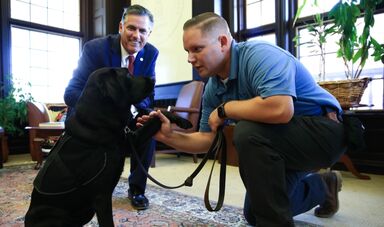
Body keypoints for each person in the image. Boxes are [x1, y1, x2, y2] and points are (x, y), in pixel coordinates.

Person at [138, 12, 347, 226]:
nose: (190, 59)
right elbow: (207, 139)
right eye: (187, 51)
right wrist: (168, 136)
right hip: (281, 143)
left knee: (247, 131)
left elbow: (281, 109)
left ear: (222, 42)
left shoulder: (260, 55)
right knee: (255, 212)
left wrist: (226, 109)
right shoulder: (214, 87)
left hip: (324, 132)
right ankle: (325, 186)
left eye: (197, 49)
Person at [64, 4, 158, 210]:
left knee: (149, 127)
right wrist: (104, 111)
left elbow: (147, 94)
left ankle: (137, 189)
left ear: (149, 33)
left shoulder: (151, 53)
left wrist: (141, 112)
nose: (136, 35)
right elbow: (71, 93)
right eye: (131, 28)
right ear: (120, 27)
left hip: (124, 114)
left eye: (143, 30)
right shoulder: (96, 49)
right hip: (92, 119)